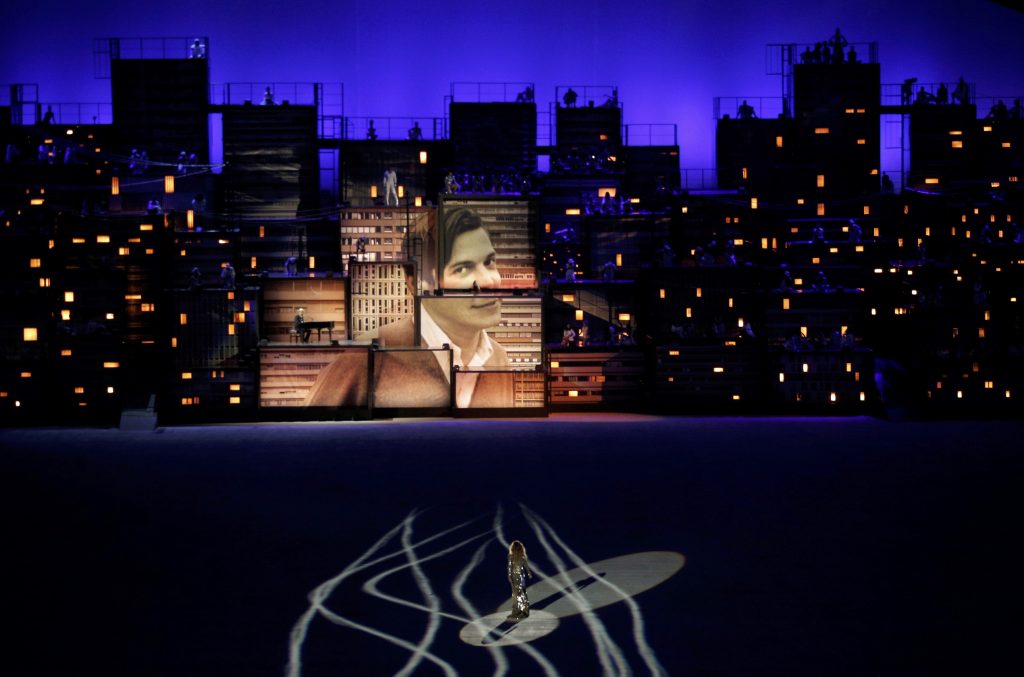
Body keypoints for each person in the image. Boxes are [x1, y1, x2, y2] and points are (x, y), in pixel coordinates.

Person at [305, 207, 512, 408]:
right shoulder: (364, 359)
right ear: (416, 283)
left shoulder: (499, 359)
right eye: (463, 269)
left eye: (489, 262)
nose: (488, 281)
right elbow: (307, 437)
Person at [506, 540, 533, 623]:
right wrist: (510, 575)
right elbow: (510, 567)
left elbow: (526, 566)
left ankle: (524, 612)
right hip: (515, 578)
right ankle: (516, 611)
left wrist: (529, 573)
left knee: (521, 594)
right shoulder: (511, 557)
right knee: (515, 594)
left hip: (520, 578)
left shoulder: (521, 557)